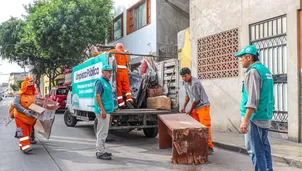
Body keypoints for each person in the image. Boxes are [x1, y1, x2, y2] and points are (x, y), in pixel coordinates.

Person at [234, 45, 274, 171]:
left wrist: (245, 120)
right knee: (264, 148)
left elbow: (252, 100)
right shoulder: (265, 71)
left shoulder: (253, 72)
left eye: (242, 58)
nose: (240, 60)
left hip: (254, 118)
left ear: (249, 57)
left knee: (255, 150)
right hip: (265, 115)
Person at [180, 67, 214, 154]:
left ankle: (209, 146)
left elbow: (196, 100)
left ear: (190, 74)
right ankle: (198, 144)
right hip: (195, 107)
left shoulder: (195, 83)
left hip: (202, 106)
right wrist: (183, 106)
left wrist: (190, 111)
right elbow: (187, 95)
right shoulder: (185, 83)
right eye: (182, 76)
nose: (184, 78)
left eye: (185, 76)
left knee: (205, 127)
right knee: (195, 127)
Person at [94, 64, 115, 160]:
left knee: (104, 132)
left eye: (111, 72)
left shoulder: (106, 82)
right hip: (103, 111)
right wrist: (102, 110)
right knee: (102, 132)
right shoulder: (100, 82)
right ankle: (100, 152)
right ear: (103, 72)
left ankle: (102, 150)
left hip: (107, 111)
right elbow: (97, 96)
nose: (110, 74)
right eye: (108, 72)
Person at [13, 76, 37, 154]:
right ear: (25, 86)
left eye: (31, 86)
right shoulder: (19, 95)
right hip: (20, 117)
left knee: (29, 131)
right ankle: (25, 148)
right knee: (24, 132)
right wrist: (25, 111)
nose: (30, 88)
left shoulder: (32, 95)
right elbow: (16, 104)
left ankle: (22, 144)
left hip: (29, 118)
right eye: (28, 86)